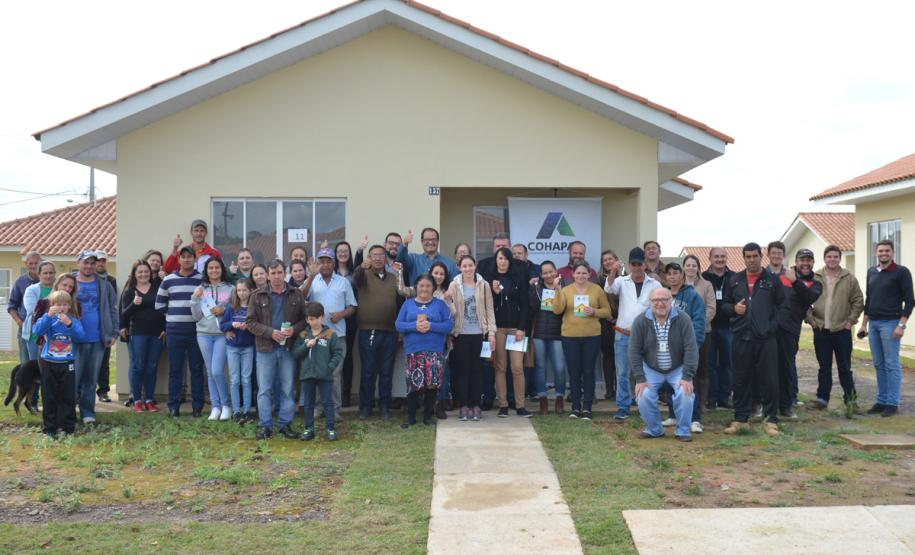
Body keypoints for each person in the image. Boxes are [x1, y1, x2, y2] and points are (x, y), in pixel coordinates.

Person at [721, 243, 785, 437]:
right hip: (741, 337)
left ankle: (770, 420)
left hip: (765, 339)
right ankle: (741, 419)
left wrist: (771, 327)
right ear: (743, 258)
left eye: (754, 256)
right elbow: (724, 305)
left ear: (761, 256)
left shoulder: (772, 280)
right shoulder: (735, 280)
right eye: (747, 256)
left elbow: (783, 307)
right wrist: (734, 309)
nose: (751, 259)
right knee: (741, 379)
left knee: (770, 380)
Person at [247, 259, 308, 439]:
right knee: (264, 389)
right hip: (265, 348)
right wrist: (270, 332)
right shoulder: (257, 296)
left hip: (288, 348)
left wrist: (294, 330)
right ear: (267, 275)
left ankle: (285, 425)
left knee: (288, 388)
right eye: (272, 273)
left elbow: (305, 320)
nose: (276, 276)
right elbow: (250, 322)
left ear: (285, 273)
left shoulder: (296, 294)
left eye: (279, 272)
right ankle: (265, 426)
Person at [630, 287, 698, 441]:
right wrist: (640, 378)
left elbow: (691, 348)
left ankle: (682, 430)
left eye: (664, 300)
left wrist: (687, 376)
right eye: (655, 300)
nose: (660, 303)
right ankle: (654, 429)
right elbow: (634, 351)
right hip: (651, 368)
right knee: (643, 395)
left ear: (671, 301)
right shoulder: (640, 321)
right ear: (650, 302)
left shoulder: (683, 319)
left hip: (678, 368)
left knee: (685, 393)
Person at [604, 247, 662, 421]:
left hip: (646, 336)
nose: (637, 268)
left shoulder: (655, 284)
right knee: (622, 373)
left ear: (645, 265)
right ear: (629, 265)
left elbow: (661, 306)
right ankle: (623, 407)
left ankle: (647, 406)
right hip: (623, 334)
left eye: (640, 264)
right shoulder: (622, 281)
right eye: (633, 264)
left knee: (647, 373)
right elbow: (609, 288)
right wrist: (613, 270)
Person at [859, 239, 913, 417]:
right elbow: (869, 299)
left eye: (887, 251)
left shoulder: (901, 272)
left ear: (892, 253)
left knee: (891, 364)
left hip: (891, 324)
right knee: (878, 364)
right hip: (873, 323)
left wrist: (901, 325)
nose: (884, 253)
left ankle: (892, 402)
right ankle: (881, 401)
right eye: (880, 251)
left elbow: (910, 301)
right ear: (876, 252)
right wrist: (864, 324)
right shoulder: (871, 272)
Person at [302, 248, 357, 419]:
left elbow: (353, 307)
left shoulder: (343, 282)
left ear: (334, 263)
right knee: (317, 371)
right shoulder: (312, 281)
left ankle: (334, 409)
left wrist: (341, 314)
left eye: (328, 261)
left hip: (337, 335)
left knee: (334, 372)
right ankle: (319, 408)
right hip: (315, 335)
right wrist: (310, 276)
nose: (325, 264)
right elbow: (300, 296)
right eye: (321, 261)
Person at [552, 261, 611, 419]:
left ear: (589, 274)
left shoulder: (597, 289)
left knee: (589, 371)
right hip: (570, 337)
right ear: (573, 275)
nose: (581, 276)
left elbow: (607, 312)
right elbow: (557, 310)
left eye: (584, 273)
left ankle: (587, 408)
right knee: (574, 372)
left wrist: (594, 312)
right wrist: (557, 290)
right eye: (578, 273)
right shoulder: (565, 290)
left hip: (592, 336)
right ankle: (575, 408)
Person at [808, 245, 864, 411]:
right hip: (821, 329)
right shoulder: (814, 277)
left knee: (844, 367)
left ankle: (851, 401)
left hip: (842, 330)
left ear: (840, 258)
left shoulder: (849, 278)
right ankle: (822, 399)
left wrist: (850, 322)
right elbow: (803, 300)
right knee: (824, 367)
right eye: (829, 256)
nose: (832, 259)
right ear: (824, 258)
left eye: (835, 257)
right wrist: (811, 320)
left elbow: (858, 301)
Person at [395, 274, 454, 427]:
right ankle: (411, 417)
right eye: (421, 285)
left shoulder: (440, 305)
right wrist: (414, 326)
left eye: (428, 286)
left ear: (433, 288)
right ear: (416, 287)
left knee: (431, 384)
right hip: (413, 350)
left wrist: (431, 326)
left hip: (434, 350)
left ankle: (428, 416)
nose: (424, 289)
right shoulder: (407, 304)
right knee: (414, 383)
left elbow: (449, 325)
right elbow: (398, 325)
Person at [155, 246, 206, 417]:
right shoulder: (168, 280)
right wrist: (172, 317)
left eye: (189, 257)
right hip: (174, 331)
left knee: (197, 369)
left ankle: (197, 406)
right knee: (175, 370)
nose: (186, 259)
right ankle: (173, 406)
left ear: (194, 259)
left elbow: (207, 304)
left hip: (196, 331)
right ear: (179, 259)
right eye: (183, 257)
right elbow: (159, 305)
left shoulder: (202, 280)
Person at [352, 245, 401, 420]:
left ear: (386, 258)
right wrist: (360, 267)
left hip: (390, 331)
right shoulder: (363, 275)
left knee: (386, 371)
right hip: (368, 330)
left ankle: (384, 407)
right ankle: (365, 407)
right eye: (374, 255)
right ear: (369, 258)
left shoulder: (393, 278)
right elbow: (353, 280)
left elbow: (400, 300)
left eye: (381, 255)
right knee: (368, 371)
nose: (378, 258)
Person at [447, 255, 497, 421]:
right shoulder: (454, 285)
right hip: (460, 335)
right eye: (464, 266)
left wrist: (491, 333)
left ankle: (476, 405)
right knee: (462, 372)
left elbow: (489, 309)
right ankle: (463, 406)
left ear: (475, 266)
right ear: (459, 267)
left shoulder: (483, 285)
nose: (468, 268)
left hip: (479, 335)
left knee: (478, 371)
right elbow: (450, 309)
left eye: (470, 265)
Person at [72, 250, 118, 425]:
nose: (89, 266)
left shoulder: (104, 285)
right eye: (86, 262)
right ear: (78, 263)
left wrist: (113, 332)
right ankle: (69, 412)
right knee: (73, 378)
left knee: (91, 379)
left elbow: (113, 309)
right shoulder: (69, 282)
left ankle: (87, 412)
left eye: (92, 263)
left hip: (98, 339)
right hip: (74, 340)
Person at [774, 249, 822, 418]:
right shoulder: (781, 276)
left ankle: (786, 406)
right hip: (772, 329)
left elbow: (808, 297)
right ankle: (767, 405)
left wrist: (794, 281)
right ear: (796, 261)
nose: (805, 263)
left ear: (813, 262)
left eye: (809, 260)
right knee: (769, 367)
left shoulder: (816, 284)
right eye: (802, 260)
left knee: (787, 368)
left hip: (791, 331)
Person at [32, 291, 85, 438]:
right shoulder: (48, 319)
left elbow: (81, 337)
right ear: (52, 305)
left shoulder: (73, 320)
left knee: (68, 396)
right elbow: (36, 331)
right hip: (49, 363)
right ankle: (49, 429)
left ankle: (69, 428)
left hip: (67, 364)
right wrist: (48, 316)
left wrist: (69, 325)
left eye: (64, 304)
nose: (61, 307)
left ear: (69, 306)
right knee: (48, 397)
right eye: (58, 304)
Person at [660, 263, 706, 432]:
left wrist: (694, 344)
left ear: (681, 275)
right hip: (666, 347)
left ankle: (694, 419)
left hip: (686, 348)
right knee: (669, 383)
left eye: (675, 273)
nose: (672, 276)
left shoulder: (692, 295)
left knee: (688, 382)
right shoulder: (663, 296)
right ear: (666, 277)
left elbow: (699, 321)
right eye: (669, 274)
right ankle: (673, 415)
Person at [489, 247, 532, 417]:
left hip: (516, 329)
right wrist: (495, 293)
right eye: (500, 258)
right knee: (500, 368)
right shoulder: (490, 281)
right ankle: (503, 405)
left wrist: (521, 328)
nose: (503, 261)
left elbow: (525, 306)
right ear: (496, 260)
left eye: (506, 258)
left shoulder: (518, 278)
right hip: (497, 329)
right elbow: (488, 306)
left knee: (517, 368)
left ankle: (520, 406)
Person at [190, 257, 233, 421]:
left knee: (216, 370)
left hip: (222, 334)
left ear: (222, 269)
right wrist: (194, 299)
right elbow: (196, 316)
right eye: (210, 268)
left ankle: (226, 405)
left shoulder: (231, 288)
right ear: (206, 271)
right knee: (210, 372)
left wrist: (223, 310)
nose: (214, 271)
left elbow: (236, 310)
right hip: (203, 334)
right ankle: (215, 407)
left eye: (217, 268)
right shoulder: (200, 289)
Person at [120, 259, 166, 413]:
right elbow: (123, 315)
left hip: (157, 334)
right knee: (138, 366)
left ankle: (149, 400)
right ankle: (137, 400)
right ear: (135, 274)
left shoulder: (158, 288)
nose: (143, 274)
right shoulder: (129, 291)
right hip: (138, 333)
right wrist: (134, 304)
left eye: (146, 271)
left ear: (150, 273)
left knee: (152, 367)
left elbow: (165, 310)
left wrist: (165, 328)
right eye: (140, 271)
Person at [293, 302, 344, 441]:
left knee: (327, 402)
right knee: (308, 403)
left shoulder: (330, 334)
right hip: (307, 375)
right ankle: (308, 429)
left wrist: (329, 368)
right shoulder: (303, 335)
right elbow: (296, 354)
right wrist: (306, 346)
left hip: (325, 375)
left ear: (322, 318)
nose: (312, 322)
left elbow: (337, 353)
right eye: (309, 319)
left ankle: (331, 429)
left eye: (315, 318)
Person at [682, 254, 716, 431]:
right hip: (682, 336)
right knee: (686, 371)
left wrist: (698, 323)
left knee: (702, 368)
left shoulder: (706, 285)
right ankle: (685, 406)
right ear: (684, 267)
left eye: (693, 265)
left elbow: (711, 308)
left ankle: (701, 404)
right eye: (687, 265)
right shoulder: (679, 287)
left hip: (703, 333)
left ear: (698, 267)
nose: (690, 268)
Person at [530, 261, 567, 414]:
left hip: (557, 333)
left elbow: (566, 308)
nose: (548, 275)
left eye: (550, 271)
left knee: (559, 368)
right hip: (539, 333)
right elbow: (532, 307)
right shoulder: (537, 287)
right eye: (545, 273)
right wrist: (532, 288)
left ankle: (559, 398)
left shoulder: (564, 286)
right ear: (541, 275)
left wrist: (558, 289)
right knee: (540, 368)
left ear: (555, 270)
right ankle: (543, 399)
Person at [702, 247, 735, 410]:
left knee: (728, 363)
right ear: (710, 258)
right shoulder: (704, 277)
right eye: (716, 256)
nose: (720, 259)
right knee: (710, 364)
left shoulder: (734, 277)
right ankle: (711, 397)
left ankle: (725, 396)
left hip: (729, 327)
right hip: (709, 327)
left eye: (723, 256)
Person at [220, 278, 256, 422]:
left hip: (248, 346)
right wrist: (232, 324)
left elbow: (258, 325)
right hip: (233, 347)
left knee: (246, 379)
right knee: (235, 379)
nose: (242, 293)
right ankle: (236, 411)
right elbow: (222, 326)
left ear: (250, 291)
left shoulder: (253, 309)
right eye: (239, 290)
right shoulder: (231, 307)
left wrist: (249, 327)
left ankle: (247, 410)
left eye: (244, 290)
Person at [334, 241, 358, 409]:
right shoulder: (330, 272)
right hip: (330, 320)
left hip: (349, 319)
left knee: (347, 356)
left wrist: (360, 250)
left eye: (345, 251)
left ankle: (346, 393)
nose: (343, 253)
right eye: (339, 251)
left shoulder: (354, 272)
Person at [8, 251, 40, 364]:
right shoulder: (20, 282)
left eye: (36, 263)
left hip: (44, 328)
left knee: (42, 364)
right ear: (26, 264)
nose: (33, 266)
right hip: (25, 328)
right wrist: (19, 321)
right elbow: (12, 305)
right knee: (26, 364)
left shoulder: (47, 280)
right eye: (31, 263)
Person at [95, 249, 117, 403]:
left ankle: (103, 391)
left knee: (104, 362)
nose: (100, 263)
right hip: (90, 326)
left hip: (105, 327)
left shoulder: (111, 280)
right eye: (97, 261)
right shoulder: (87, 279)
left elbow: (113, 305)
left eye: (103, 260)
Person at [598, 250, 620, 401]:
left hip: (622, 323)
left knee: (621, 359)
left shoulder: (626, 278)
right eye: (605, 260)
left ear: (616, 260)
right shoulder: (599, 281)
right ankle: (609, 390)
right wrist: (609, 316)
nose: (607, 262)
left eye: (610, 259)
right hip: (605, 324)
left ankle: (620, 389)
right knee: (608, 358)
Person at [23, 261, 56, 361]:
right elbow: (33, 311)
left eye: (51, 273)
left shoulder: (60, 288)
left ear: (55, 273)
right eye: (45, 273)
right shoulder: (31, 290)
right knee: (35, 367)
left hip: (54, 335)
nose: (48, 276)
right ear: (39, 274)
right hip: (35, 335)